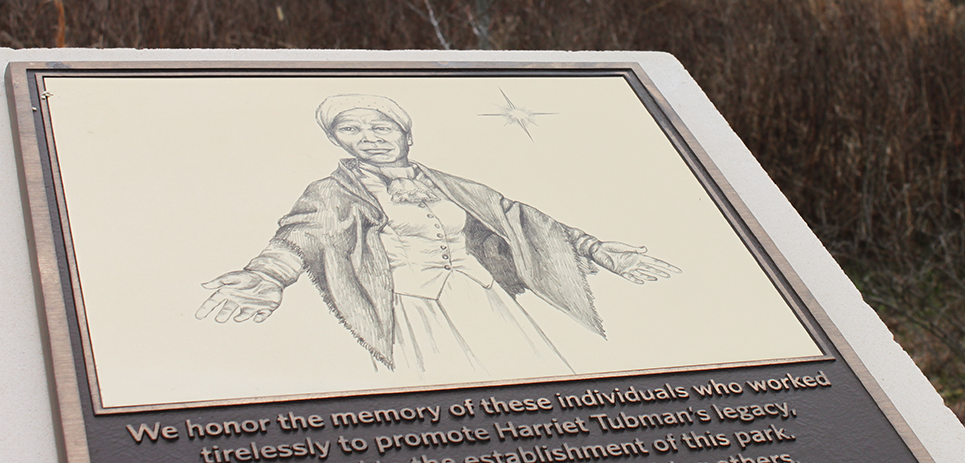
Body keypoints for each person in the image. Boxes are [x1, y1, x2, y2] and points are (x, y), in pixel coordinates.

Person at [196, 94, 679, 378]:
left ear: (407, 136)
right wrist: (267, 276)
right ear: (337, 141)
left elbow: (525, 221)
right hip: (411, 309)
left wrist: (599, 251)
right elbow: (299, 236)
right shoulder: (330, 192)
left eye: (381, 125)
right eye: (352, 129)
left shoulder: (455, 186)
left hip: (486, 300)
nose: (369, 136)